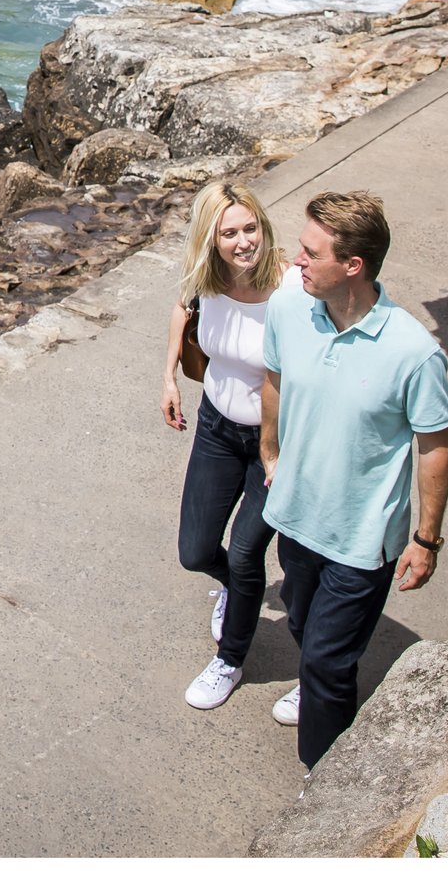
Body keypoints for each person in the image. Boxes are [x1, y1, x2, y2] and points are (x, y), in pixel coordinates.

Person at [259, 191, 448, 771]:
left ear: (353, 267)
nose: (296, 260)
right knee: (298, 617)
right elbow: (274, 377)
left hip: (362, 539)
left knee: (326, 661)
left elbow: (433, 448)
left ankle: (322, 780)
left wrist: (426, 539)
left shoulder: (415, 353)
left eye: (310, 252)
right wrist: (269, 453)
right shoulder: (290, 310)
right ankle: (319, 688)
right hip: (296, 516)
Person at [162, 182, 288, 710]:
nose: (244, 242)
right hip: (215, 428)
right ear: (210, 240)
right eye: (229, 232)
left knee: (244, 552)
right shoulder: (206, 279)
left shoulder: (292, 286)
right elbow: (181, 309)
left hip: (275, 443)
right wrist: (168, 375)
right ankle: (239, 590)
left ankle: (229, 660)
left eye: (250, 228)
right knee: (195, 551)